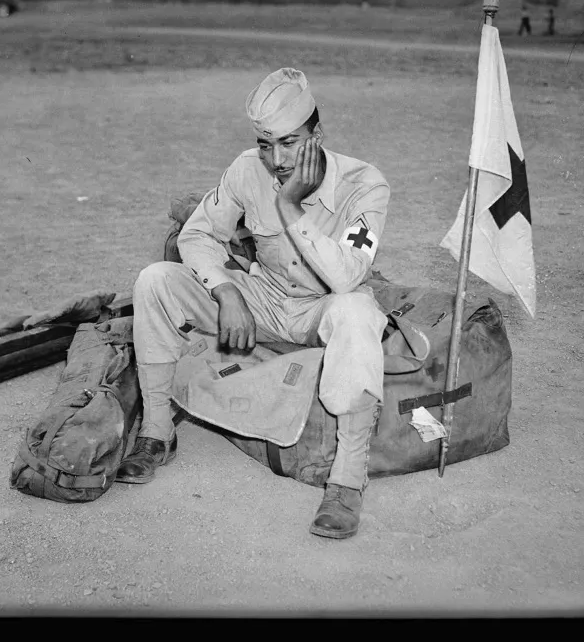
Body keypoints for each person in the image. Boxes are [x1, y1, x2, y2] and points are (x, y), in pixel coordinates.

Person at [119, 67, 391, 540]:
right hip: (261, 300)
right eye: (267, 145)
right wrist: (226, 292)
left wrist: (289, 206)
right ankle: (158, 431)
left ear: (317, 135)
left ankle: (347, 481)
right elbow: (198, 234)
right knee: (155, 280)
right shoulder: (248, 167)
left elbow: (347, 276)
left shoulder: (365, 185)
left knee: (358, 311)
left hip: (320, 308)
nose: (277, 158)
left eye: (290, 142)